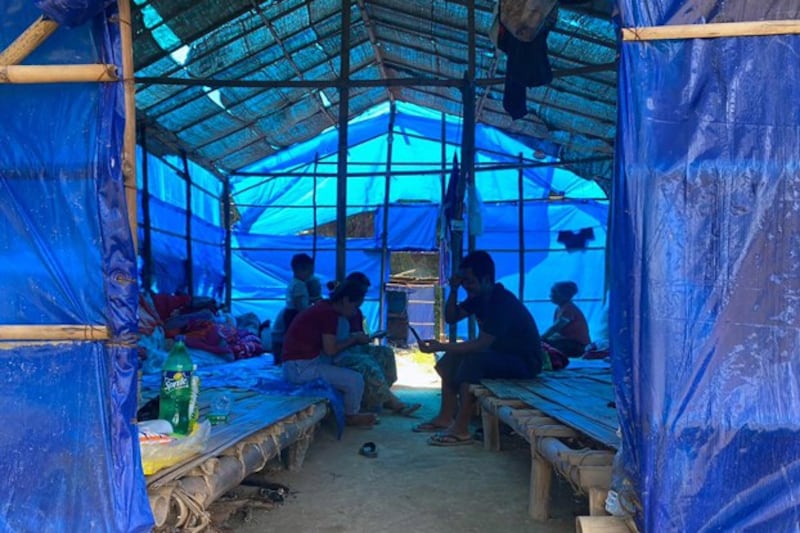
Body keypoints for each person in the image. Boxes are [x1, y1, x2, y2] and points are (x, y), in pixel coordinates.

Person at [415, 250, 543, 446]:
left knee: (472, 362)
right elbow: (451, 318)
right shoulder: (478, 298)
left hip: (525, 362)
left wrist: (441, 345)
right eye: (463, 281)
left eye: (470, 281)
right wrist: (454, 289)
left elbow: (481, 344)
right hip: (501, 354)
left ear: (485, 279)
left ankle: (461, 429)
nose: (467, 286)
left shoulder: (501, 301)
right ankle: (445, 417)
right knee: (450, 359)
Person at [281, 279, 377, 428]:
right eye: (355, 306)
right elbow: (330, 349)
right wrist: (355, 339)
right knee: (355, 380)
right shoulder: (328, 314)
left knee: (347, 368)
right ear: (345, 300)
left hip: (298, 363)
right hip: (300, 368)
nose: (355, 311)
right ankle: (351, 415)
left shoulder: (324, 307)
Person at [330, 272, 420, 415]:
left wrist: (368, 337)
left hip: (353, 346)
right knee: (367, 363)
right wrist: (357, 339)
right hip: (341, 352)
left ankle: (381, 396)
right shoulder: (335, 311)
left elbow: (358, 335)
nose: (363, 298)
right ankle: (393, 403)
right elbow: (334, 344)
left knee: (385, 353)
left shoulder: (356, 311)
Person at [271, 253, 316, 365]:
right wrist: (306, 315)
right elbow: (299, 302)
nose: (311, 275)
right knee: (293, 337)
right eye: (310, 272)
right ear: (301, 271)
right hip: (294, 313)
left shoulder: (294, 283)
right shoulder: (299, 285)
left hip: (292, 312)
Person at [541, 281, 590, 357]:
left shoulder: (568, 309)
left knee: (543, 346)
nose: (550, 295)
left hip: (578, 346)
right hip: (568, 342)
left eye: (554, 292)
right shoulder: (560, 308)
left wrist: (541, 338)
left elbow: (555, 328)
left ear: (564, 295)